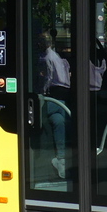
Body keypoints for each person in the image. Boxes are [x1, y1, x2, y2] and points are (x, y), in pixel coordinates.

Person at [36, 30, 71, 178]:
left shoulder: (47, 58)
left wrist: (42, 91)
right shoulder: (54, 56)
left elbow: (48, 78)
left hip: (49, 96)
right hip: (57, 97)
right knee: (59, 120)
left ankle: (60, 159)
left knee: (56, 118)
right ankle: (61, 158)